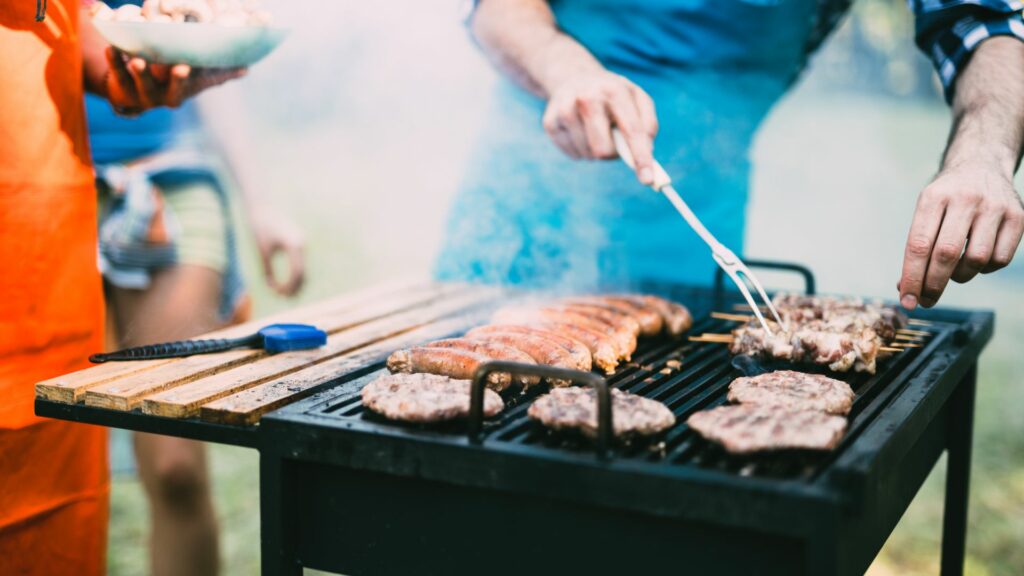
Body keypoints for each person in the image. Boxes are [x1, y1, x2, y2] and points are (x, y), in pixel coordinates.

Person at [435, 0, 1024, 310]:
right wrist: (571, 73)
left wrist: (985, 156)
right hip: (526, 200)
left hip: (698, 215)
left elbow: (984, 22)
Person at [0, 1, 242, 573]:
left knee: (171, 462)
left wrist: (145, 64)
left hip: (150, 176)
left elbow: (69, 33)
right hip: (48, 201)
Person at [86, 8, 305, 573]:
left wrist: (261, 203)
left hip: (171, 175)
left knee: (175, 466)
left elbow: (202, 35)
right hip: (39, 185)